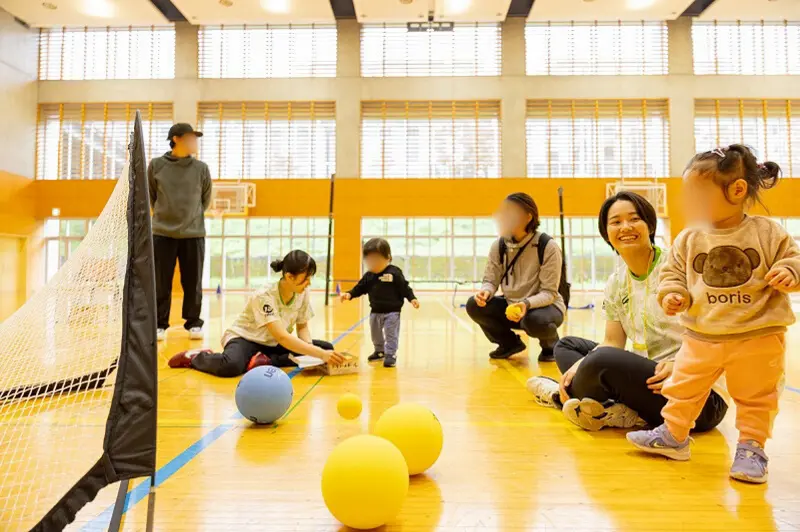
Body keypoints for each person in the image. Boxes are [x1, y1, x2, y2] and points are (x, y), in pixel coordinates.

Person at [627, 145, 798, 484]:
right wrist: (672, 294)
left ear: (737, 190)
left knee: (757, 397)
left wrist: (790, 271)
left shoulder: (767, 232)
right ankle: (674, 434)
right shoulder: (689, 237)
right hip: (701, 335)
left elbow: (794, 259)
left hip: (758, 336)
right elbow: (672, 274)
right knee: (682, 387)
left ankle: (751, 448)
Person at [525, 191, 729, 433]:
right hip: (649, 378)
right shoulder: (616, 281)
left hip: (698, 395)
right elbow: (613, 341)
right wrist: (580, 364)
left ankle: (562, 397)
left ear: (649, 225)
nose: (626, 227)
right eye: (616, 222)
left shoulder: (679, 266)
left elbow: (718, 328)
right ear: (606, 233)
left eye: (634, 219)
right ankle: (614, 408)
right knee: (567, 346)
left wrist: (680, 363)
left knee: (601, 361)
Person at [168, 250, 345, 377]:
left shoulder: (302, 292)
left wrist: (310, 351)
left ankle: (266, 360)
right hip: (246, 338)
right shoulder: (264, 296)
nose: (308, 283)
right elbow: (282, 337)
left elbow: (303, 326)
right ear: (289, 276)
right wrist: (316, 354)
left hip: (272, 343)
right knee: (231, 366)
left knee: (326, 348)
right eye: (305, 279)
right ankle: (196, 357)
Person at [466, 192, 565, 362]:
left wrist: (526, 304)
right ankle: (509, 344)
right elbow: (490, 280)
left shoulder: (547, 246)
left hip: (545, 307)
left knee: (535, 320)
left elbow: (549, 293)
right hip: (512, 306)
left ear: (528, 217)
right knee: (474, 305)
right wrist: (486, 292)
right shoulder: (499, 246)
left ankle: (551, 346)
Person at [148, 123, 213, 342]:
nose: (195, 142)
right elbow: (152, 196)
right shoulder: (156, 165)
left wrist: (191, 218)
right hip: (162, 234)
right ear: (176, 139)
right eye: (190, 137)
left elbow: (205, 200)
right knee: (161, 282)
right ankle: (159, 324)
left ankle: (193, 323)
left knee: (193, 282)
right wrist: (165, 216)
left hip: (193, 234)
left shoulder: (201, 168)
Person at [341, 238, 419, 368]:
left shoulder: (394, 272)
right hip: (375, 311)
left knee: (390, 333)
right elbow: (360, 288)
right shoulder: (369, 276)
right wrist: (349, 294)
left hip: (392, 311)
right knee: (375, 333)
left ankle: (391, 354)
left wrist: (412, 298)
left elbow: (404, 287)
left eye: (376, 259)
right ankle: (379, 351)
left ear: (388, 258)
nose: (373, 263)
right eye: (369, 260)